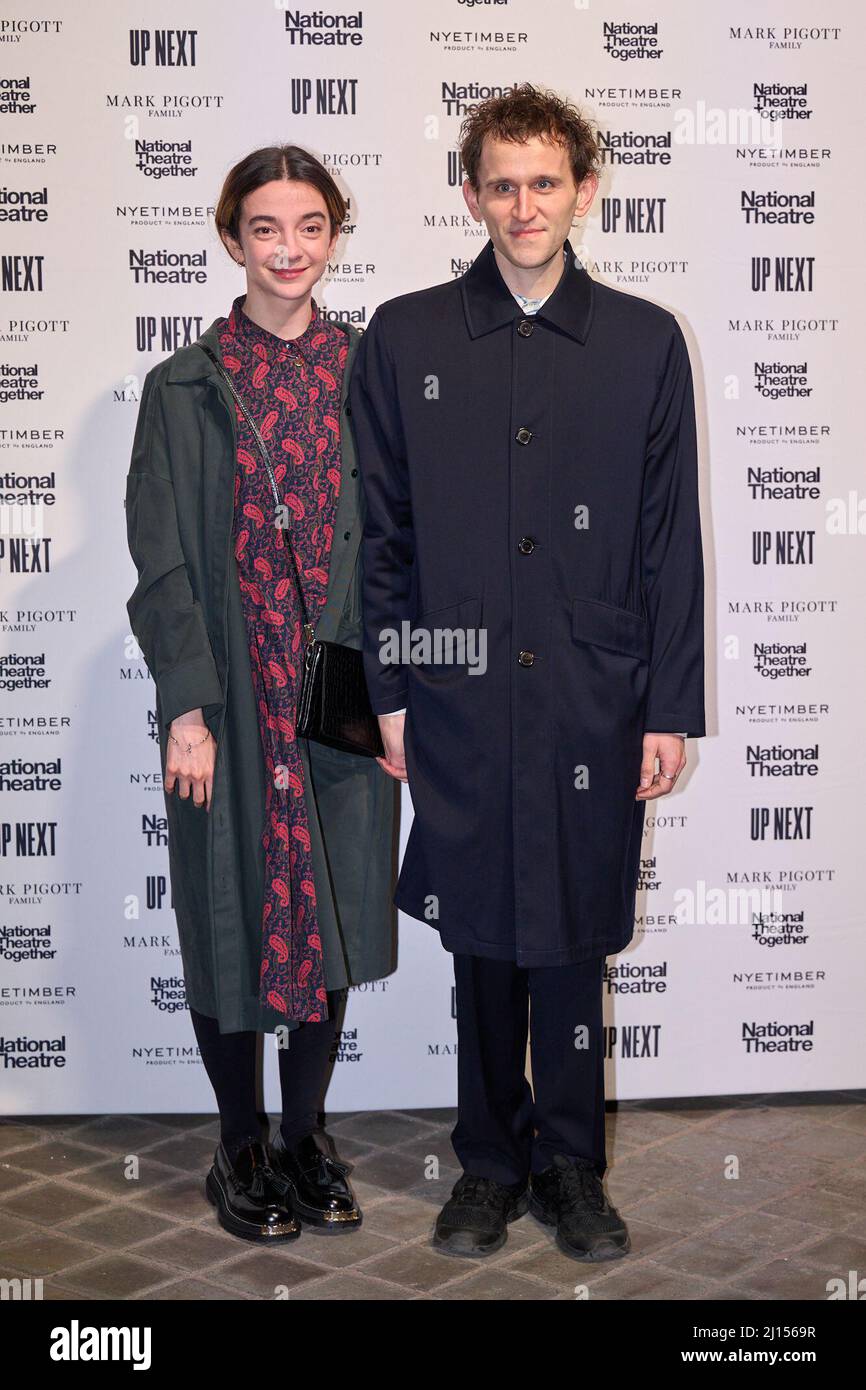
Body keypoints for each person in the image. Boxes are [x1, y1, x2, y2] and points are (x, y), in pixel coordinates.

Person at [349, 84, 706, 1262]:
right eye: (499, 182)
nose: (521, 204)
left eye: (543, 181)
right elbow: (384, 532)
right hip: (453, 691)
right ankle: (486, 1163)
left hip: (592, 694)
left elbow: (666, 538)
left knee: (570, 938)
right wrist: (391, 690)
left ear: (583, 190)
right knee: (481, 934)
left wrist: (667, 706)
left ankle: (569, 1167)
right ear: (469, 193)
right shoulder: (405, 339)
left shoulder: (645, 342)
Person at [125, 145, 398, 1243]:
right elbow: (161, 562)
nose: (288, 249)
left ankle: (303, 1136)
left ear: (334, 234)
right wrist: (186, 706)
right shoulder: (182, 386)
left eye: (310, 227)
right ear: (232, 239)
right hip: (231, 699)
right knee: (229, 914)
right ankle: (238, 1142)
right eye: (265, 228)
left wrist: (400, 689)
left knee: (326, 914)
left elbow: (402, 541)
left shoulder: (374, 371)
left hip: (334, 690)